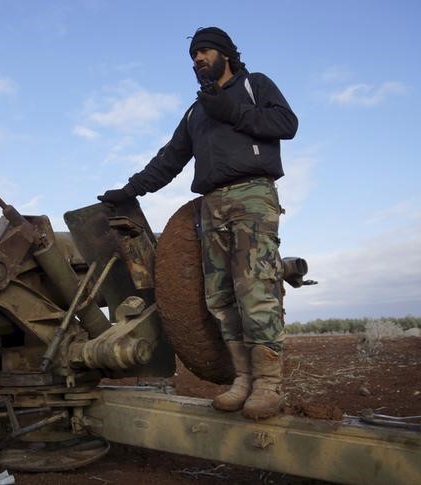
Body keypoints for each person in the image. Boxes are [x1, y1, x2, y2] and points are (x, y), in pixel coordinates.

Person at [98, 27, 298, 419]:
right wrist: (130, 190)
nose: (197, 60)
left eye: (204, 51)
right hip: (211, 205)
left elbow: (286, 125)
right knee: (221, 296)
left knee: (255, 288)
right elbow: (169, 159)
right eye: (193, 56)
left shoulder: (255, 86)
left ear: (225, 53)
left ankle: (268, 386)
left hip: (251, 195)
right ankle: (242, 380)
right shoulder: (196, 111)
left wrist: (236, 112)